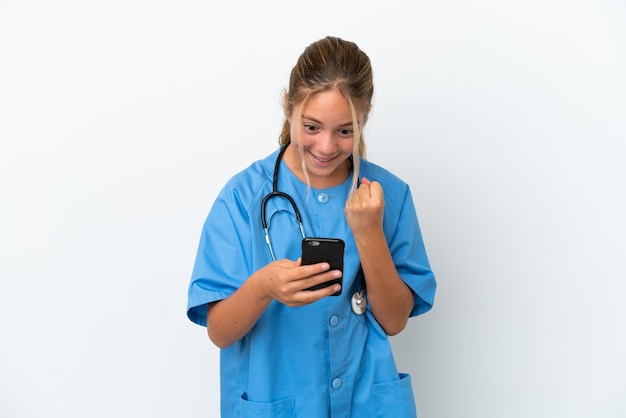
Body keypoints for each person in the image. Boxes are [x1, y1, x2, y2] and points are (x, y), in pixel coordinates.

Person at [186, 35, 437, 418]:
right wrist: (264, 285)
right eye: (312, 127)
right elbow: (219, 332)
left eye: (345, 131)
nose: (325, 147)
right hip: (276, 400)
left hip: (365, 400)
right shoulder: (242, 198)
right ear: (289, 109)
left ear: (364, 119)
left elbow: (394, 319)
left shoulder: (389, 197)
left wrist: (369, 233)